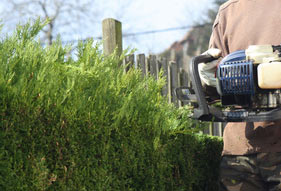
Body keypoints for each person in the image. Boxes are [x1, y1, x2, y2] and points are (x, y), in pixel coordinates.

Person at [199, 0, 281, 190]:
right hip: (241, 153)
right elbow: (216, 87)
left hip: (241, 154)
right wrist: (209, 80)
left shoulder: (229, 11)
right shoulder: (228, 12)